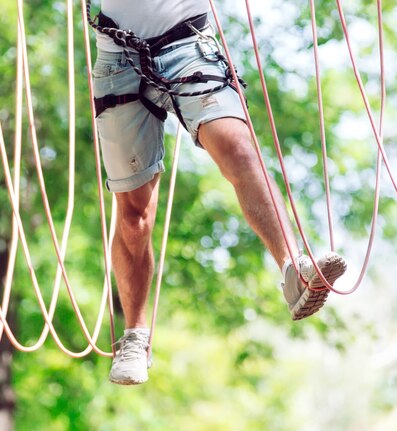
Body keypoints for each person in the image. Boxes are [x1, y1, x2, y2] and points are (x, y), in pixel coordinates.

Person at [91, 0, 347, 385]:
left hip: (188, 47)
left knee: (239, 149)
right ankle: (134, 336)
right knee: (134, 214)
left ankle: (294, 269)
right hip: (117, 59)